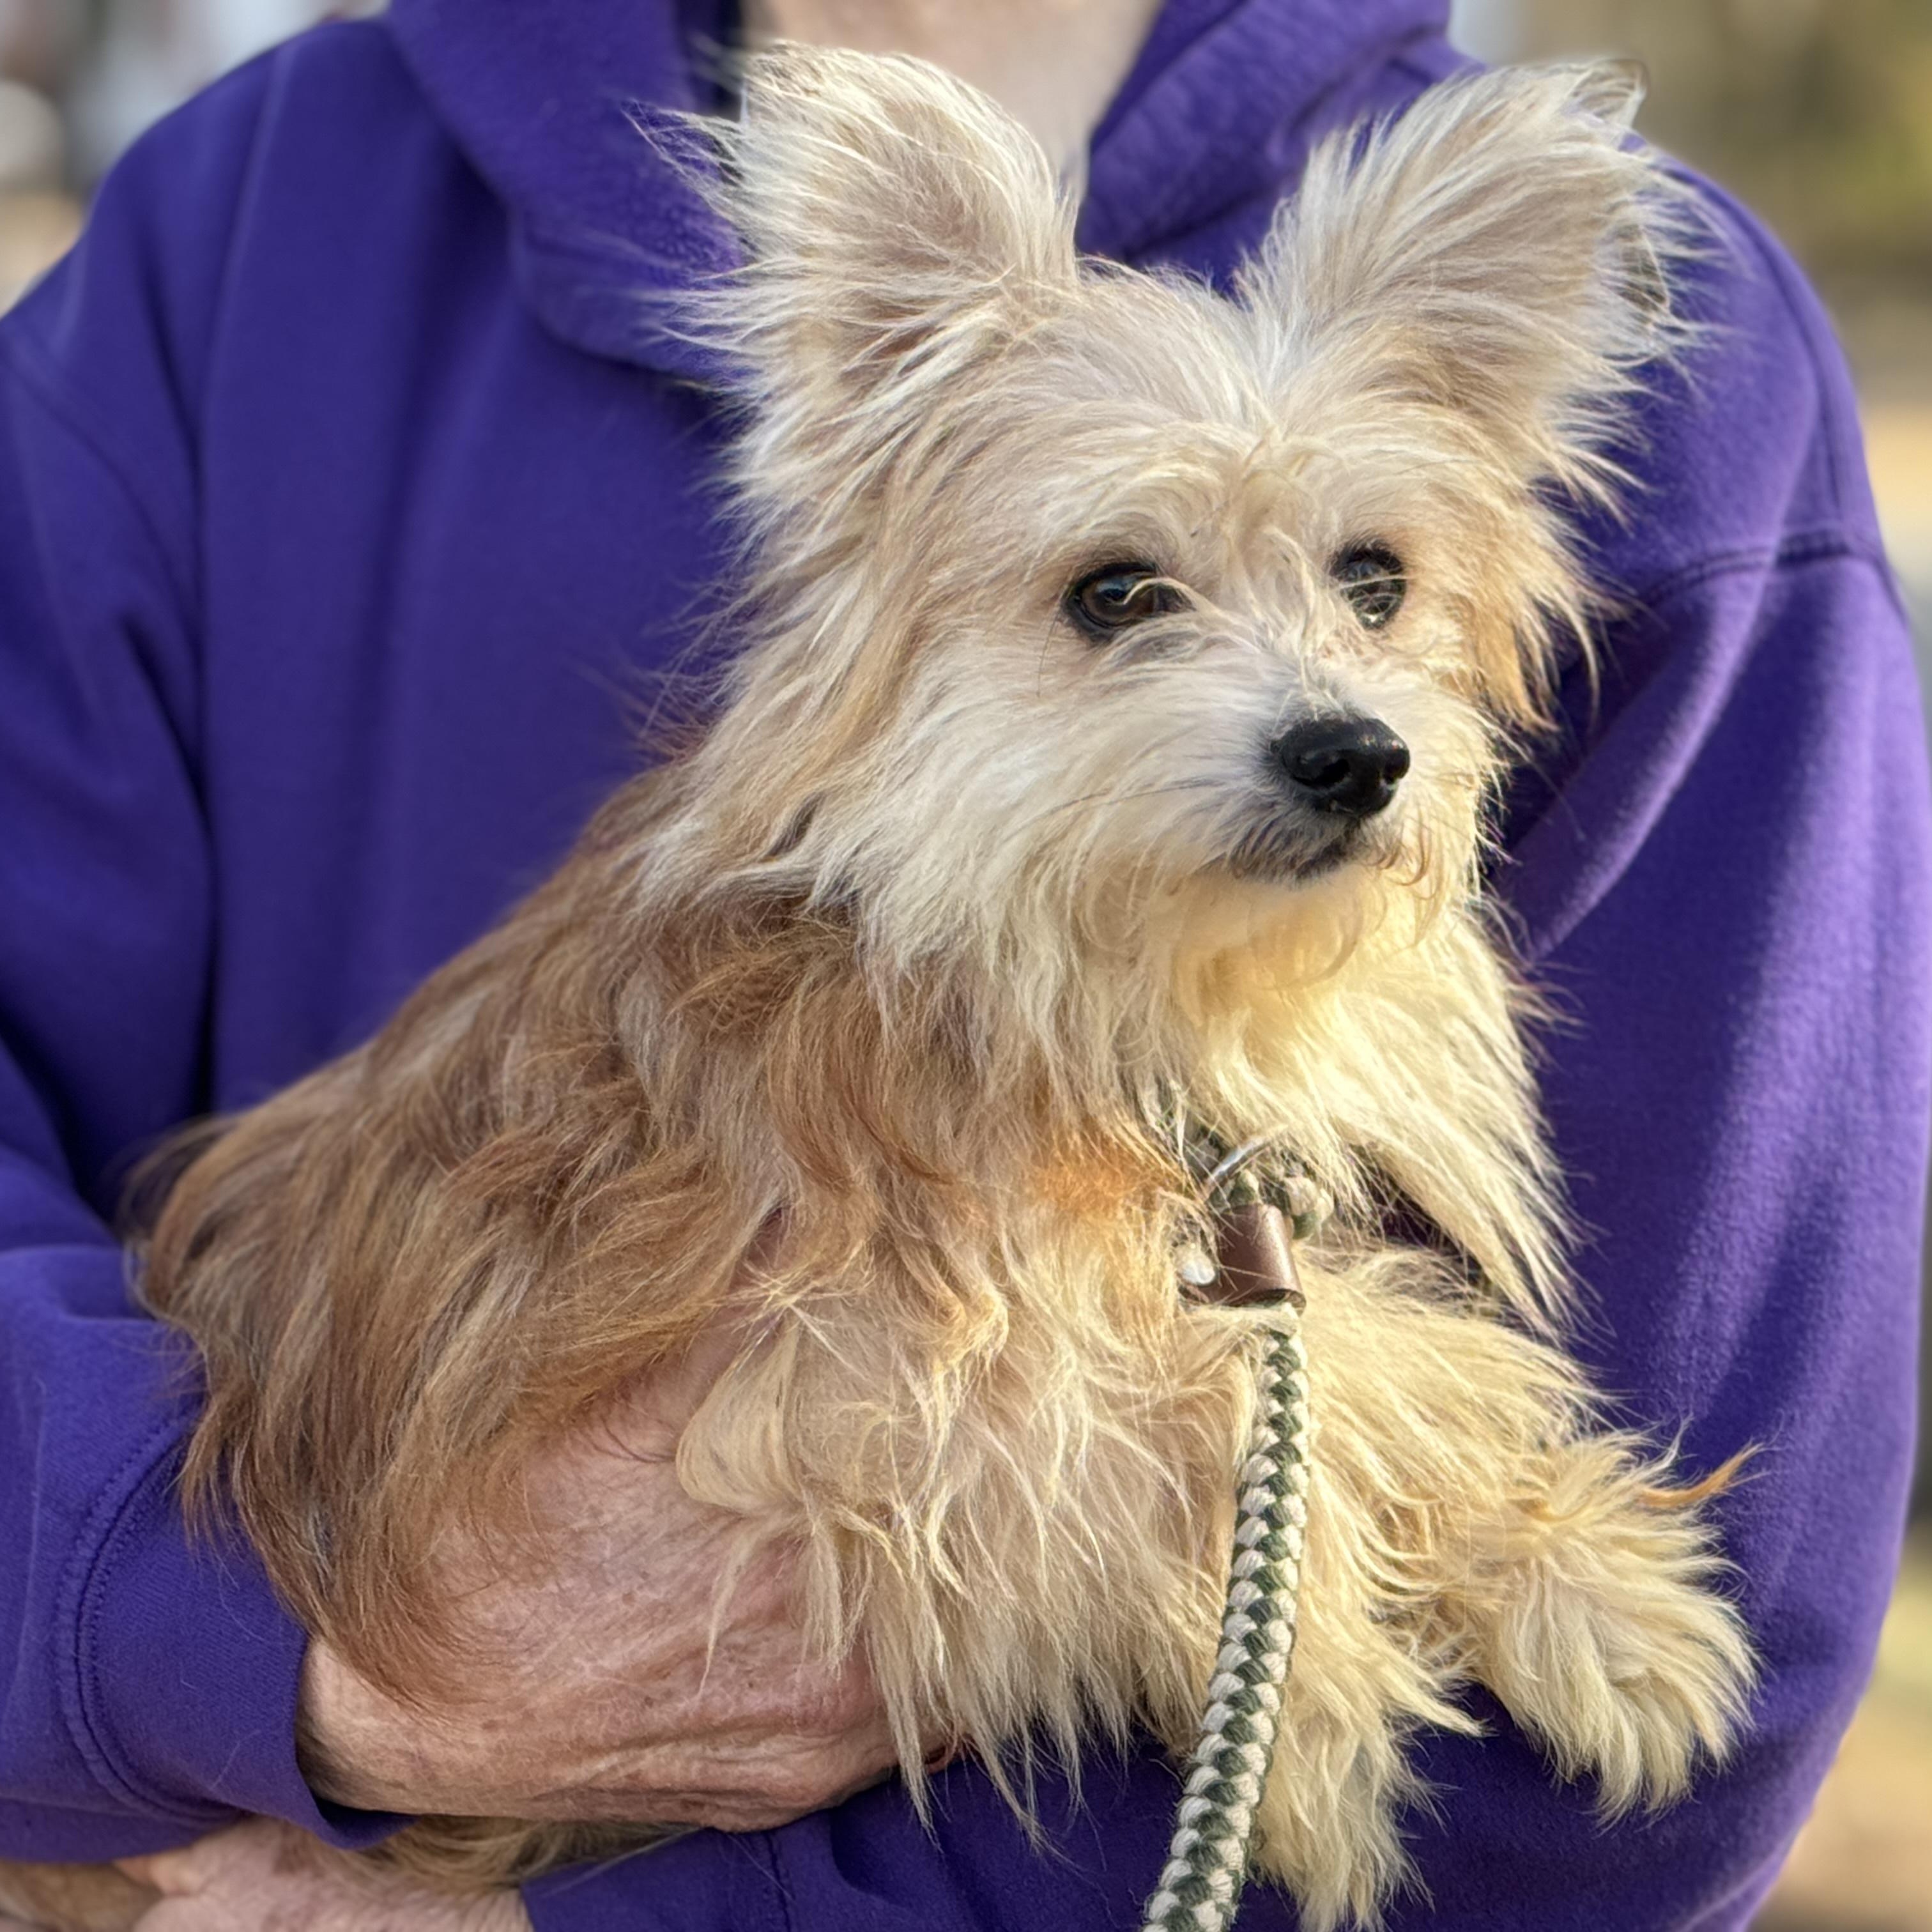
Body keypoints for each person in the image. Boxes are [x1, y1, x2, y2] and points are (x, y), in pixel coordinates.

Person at [0, 1, 1924, 1928]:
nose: (1331, 707)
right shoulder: (242, 222)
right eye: (1121, 597)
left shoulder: (1723, 406)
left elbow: (1648, 1740)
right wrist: (210, 1662)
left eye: (1374, 585)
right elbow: (913, 1447)